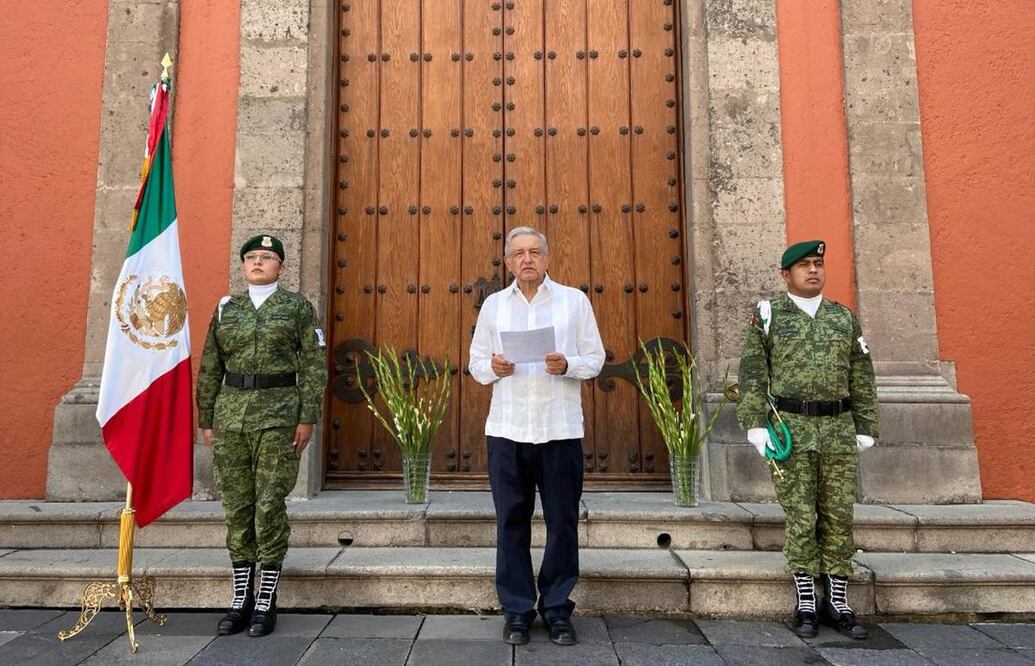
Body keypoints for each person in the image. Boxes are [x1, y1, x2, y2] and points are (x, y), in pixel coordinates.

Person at [469, 226, 605, 646]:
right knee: (511, 522)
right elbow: (476, 364)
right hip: (507, 429)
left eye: (534, 252)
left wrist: (567, 365)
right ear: (507, 262)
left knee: (562, 521)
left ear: (547, 257)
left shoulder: (574, 301)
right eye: (519, 253)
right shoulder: (494, 306)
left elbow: (596, 358)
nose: (526, 259)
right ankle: (516, 611)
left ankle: (558, 609)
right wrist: (494, 368)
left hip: (559, 429)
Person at [736, 240, 878, 640]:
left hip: (837, 429)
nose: (813, 270)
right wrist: (754, 424)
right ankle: (805, 601)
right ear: (787, 275)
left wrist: (866, 425)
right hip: (791, 429)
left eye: (818, 263)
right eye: (804, 266)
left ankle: (838, 601)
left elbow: (861, 374)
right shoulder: (769, 316)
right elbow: (753, 372)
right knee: (800, 515)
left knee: (838, 515)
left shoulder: (843, 318)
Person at [196, 234, 327, 637]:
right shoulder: (226, 309)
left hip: (279, 416)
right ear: (243, 265)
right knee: (237, 507)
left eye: (266, 257)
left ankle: (266, 600)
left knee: (269, 505)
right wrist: (206, 417)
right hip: (231, 417)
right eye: (251, 256)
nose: (257, 262)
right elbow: (210, 365)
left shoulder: (297, 307)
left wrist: (308, 417)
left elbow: (314, 364)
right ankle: (241, 599)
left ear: (280, 266)